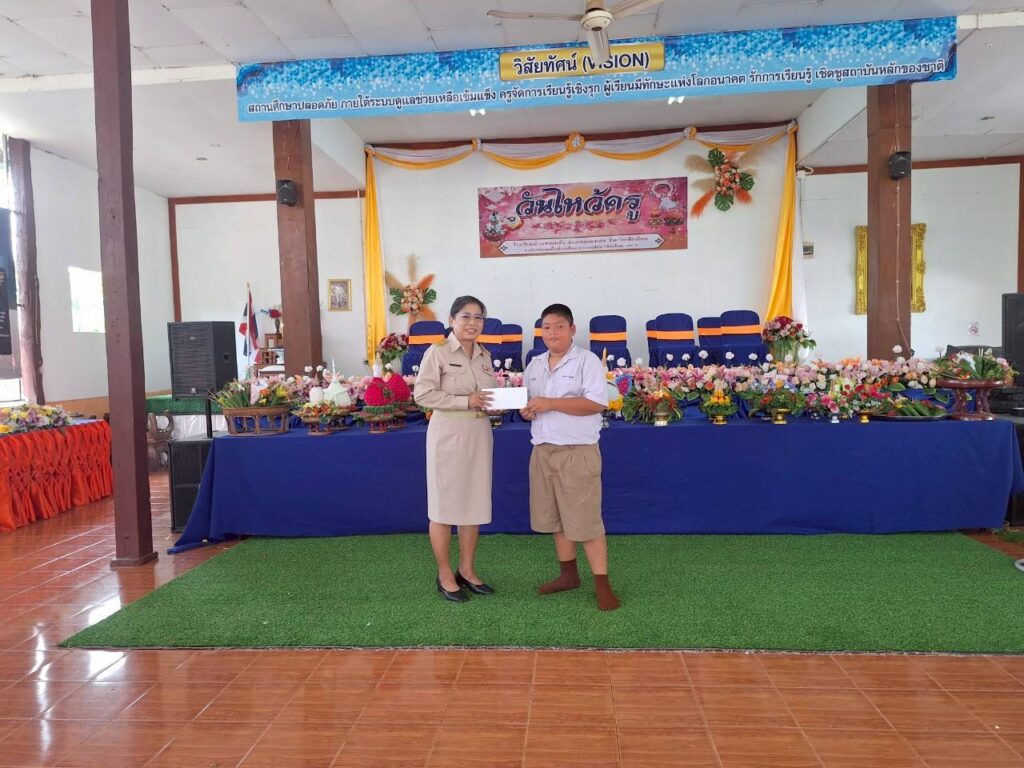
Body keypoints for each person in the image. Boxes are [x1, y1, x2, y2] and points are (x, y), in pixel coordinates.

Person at [520, 303, 620, 611]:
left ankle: (602, 583)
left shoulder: (587, 361)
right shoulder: (534, 365)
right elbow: (531, 404)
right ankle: (568, 575)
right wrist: (528, 411)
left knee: (586, 521)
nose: (552, 333)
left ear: (572, 329)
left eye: (559, 326)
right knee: (556, 518)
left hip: (577, 452)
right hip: (543, 450)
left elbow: (596, 404)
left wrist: (549, 403)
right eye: (546, 327)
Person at [413, 296, 497, 603]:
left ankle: (467, 570)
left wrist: (497, 404)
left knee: (473, 502)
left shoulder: (485, 355)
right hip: (448, 433)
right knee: (444, 505)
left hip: (479, 432)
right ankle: (445, 574)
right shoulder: (437, 352)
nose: (472, 323)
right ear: (451, 320)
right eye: (465, 316)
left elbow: (486, 396)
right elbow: (423, 394)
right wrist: (465, 401)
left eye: (478, 317)